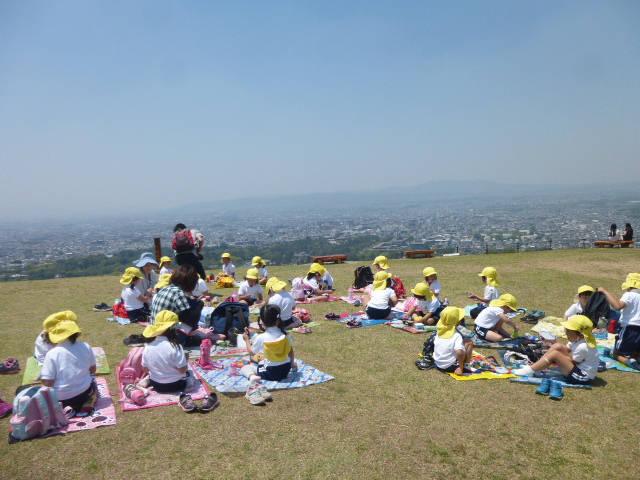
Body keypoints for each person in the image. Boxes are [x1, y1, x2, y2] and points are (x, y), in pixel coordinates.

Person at [513, 315, 600, 385]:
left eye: (569, 332)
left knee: (555, 354)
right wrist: (551, 343)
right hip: (575, 369)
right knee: (557, 346)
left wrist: (554, 356)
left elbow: (573, 362)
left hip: (581, 377)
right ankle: (537, 368)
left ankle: (529, 371)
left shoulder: (583, 346)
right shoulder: (578, 340)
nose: (566, 334)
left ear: (581, 335)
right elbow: (564, 349)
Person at [40, 311, 97, 416]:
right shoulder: (85, 346)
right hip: (85, 393)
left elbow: (48, 383)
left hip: (61, 399)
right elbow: (93, 370)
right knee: (93, 384)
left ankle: (66, 410)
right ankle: (86, 403)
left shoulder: (52, 354)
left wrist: (42, 378)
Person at [241, 305, 296, 405]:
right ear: (278, 319)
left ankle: (252, 376)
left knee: (246, 368)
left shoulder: (262, 337)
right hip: (286, 369)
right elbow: (290, 351)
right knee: (260, 359)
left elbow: (252, 352)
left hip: (271, 372)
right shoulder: (285, 334)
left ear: (262, 321)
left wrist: (247, 339)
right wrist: (292, 364)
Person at [141, 310, 193, 393]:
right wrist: (185, 361)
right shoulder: (175, 346)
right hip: (176, 384)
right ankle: (189, 383)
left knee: (152, 374)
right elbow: (182, 370)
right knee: (189, 373)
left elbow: (145, 370)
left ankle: (147, 380)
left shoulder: (148, 345)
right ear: (174, 329)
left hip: (156, 384)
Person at [598, 273, 640, 370]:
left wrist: (605, 292)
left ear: (628, 286)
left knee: (617, 353)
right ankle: (636, 359)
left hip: (629, 328)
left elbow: (617, 306)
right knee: (636, 352)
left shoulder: (629, 294)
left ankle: (628, 362)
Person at [150, 264, 203, 336]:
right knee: (197, 304)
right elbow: (191, 317)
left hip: (154, 330)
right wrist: (199, 304)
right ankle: (191, 336)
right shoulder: (178, 293)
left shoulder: (165, 288)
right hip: (166, 334)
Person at [433, 306, 473, 375]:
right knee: (469, 341)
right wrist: (461, 367)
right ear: (458, 323)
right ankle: (466, 367)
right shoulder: (456, 336)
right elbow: (459, 352)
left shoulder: (439, 331)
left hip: (438, 364)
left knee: (464, 342)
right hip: (450, 366)